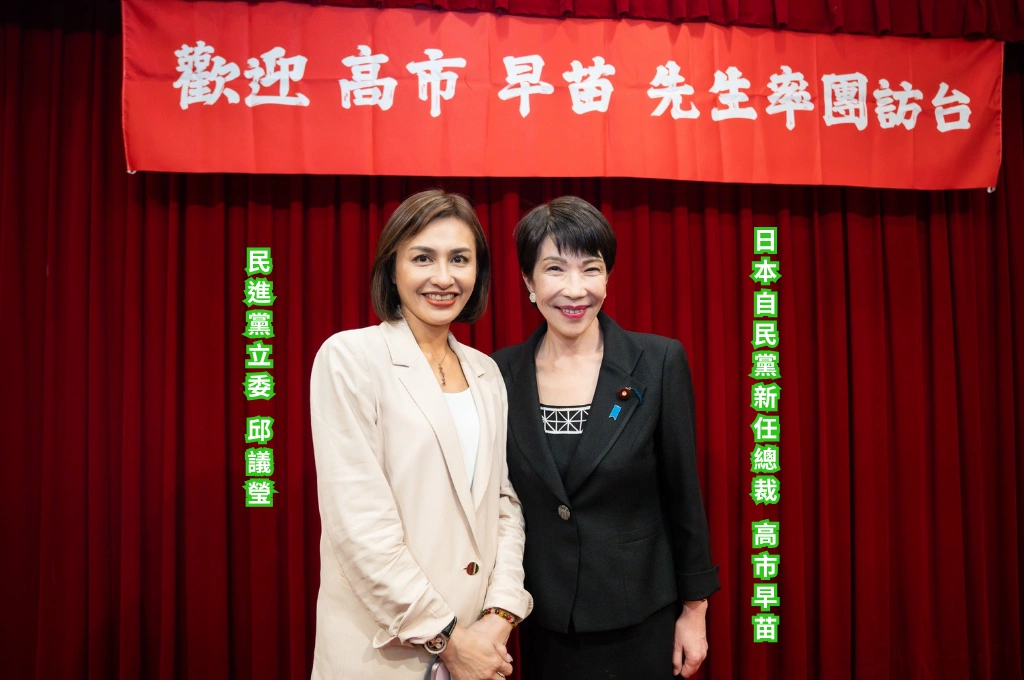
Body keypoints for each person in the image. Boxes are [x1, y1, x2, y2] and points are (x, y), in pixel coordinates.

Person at [491, 196, 720, 679]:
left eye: (590, 269)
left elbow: (683, 494)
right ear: (529, 281)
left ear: (608, 277)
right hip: (544, 621)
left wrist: (695, 610)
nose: (575, 289)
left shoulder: (656, 363)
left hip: (640, 618)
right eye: (555, 269)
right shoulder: (498, 373)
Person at [309, 189, 532, 680]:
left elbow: (504, 503)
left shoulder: (487, 373)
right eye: (423, 258)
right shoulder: (349, 359)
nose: (444, 277)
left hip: (479, 648)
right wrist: (449, 639)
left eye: (460, 259)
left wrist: (500, 615)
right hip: (383, 650)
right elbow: (360, 527)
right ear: (392, 269)